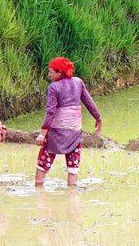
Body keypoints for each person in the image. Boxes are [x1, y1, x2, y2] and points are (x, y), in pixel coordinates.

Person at [35, 57, 102, 189]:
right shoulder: (78, 82)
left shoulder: (53, 87)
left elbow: (51, 112)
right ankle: (72, 193)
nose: (49, 75)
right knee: (73, 165)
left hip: (56, 131)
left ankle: (38, 188)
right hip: (74, 132)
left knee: (44, 161)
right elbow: (88, 101)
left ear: (59, 72)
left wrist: (43, 133)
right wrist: (97, 117)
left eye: (51, 72)